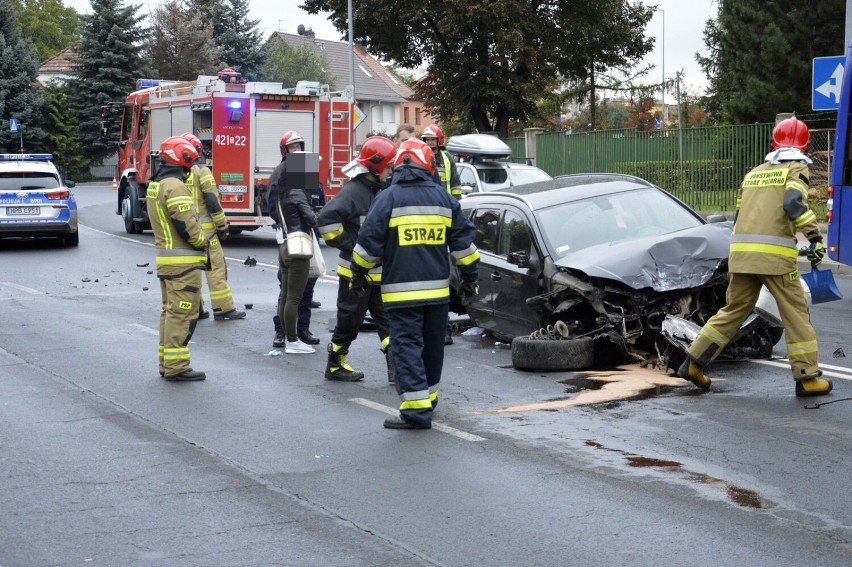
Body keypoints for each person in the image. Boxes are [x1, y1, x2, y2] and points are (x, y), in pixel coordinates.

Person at [676, 116, 832, 398]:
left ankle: (693, 363)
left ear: (774, 142)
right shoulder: (796, 169)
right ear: (805, 146)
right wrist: (815, 237)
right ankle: (808, 378)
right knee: (796, 313)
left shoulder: (754, 173)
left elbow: (740, 218)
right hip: (774, 261)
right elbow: (793, 204)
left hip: (741, 256)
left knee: (732, 311)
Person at [351, 138, 480, 429]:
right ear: (429, 166)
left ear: (397, 166)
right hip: (437, 294)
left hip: (401, 294)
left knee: (406, 346)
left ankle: (416, 411)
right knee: (433, 346)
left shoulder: (387, 199)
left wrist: (358, 275)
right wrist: (470, 281)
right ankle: (428, 399)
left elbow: (367, 246)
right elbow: (465, 249)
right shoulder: (444, 200)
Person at [317, 136, 396, 382]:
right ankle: (335, 364)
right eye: (390, 166)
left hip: (380, 274)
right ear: (376, 166)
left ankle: (396, 368)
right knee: (350, 322)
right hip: (354, 275)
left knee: (389, 323)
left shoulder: (380, 191)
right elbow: (326, 220)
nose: (392, 170)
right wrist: (352, 248)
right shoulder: (354, 192)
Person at [146, 136, 209, 381]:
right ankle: (177, 367)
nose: (190, 170)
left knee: (170, 313)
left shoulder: (156, 185)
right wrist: (205, 242)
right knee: (182, 315)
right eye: (189, 165)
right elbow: (188, 226)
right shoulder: (175, 187)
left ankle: (166, 362)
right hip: (182, 265)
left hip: (167, 263)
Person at [180, 133, 245, 321]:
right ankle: (223, 308)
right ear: (198, 151)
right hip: (206, 232)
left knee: (191, 272)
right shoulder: (202, 172)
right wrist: (222, 226)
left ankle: (196, 310)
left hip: (185, 231)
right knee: (215, 269)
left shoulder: (175, 176)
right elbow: (212, 202)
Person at [267, 132, 322, 349]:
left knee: (306, 286)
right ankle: (284, 333)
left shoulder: (305, 168)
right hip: (293, 236)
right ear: (285, 151)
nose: (297, 150)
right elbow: (275, 205)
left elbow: (316, 196)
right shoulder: (282, 173)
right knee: (289, 290)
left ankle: (302, 330)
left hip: (303, 235)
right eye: (292, 147)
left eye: (299, 146)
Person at [421, 124, 463, 345]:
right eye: (426, 140)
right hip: (426, 220)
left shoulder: (447, 160)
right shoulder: (420, 158)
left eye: (432, 140)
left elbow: (455, 188)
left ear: (439, 141)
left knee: (442, 276)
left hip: (444, 221)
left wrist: (454, 209)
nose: (429, 144)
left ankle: (443, 328)